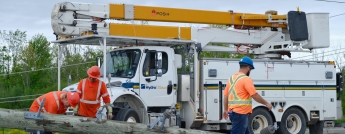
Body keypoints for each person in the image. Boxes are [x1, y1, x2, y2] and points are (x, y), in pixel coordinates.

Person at [223, 56, 273, 134]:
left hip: (233, 113)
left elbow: (226, 96)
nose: (250, 71)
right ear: (248, 67)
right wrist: (266, 103)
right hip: (241, 114)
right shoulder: (246, 79)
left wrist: (225, 110)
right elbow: (254, 95)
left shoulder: (231, 79)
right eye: (250, 69)